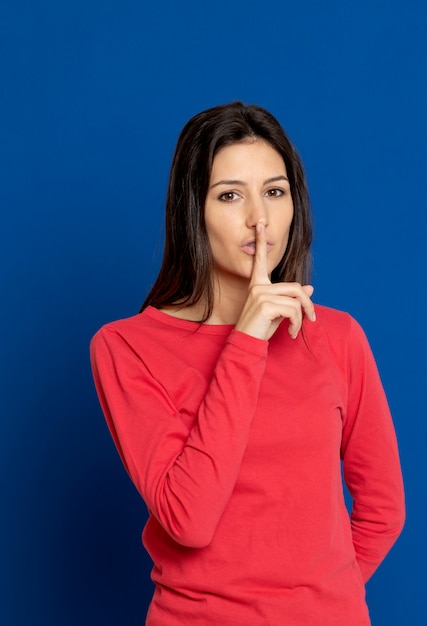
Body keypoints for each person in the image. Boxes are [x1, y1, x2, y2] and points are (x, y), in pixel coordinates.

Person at [90, 101, 405, 626]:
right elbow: (188, 520)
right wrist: (248, 339)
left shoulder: (339, 336)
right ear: (194, 210)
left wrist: (322, 601)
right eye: (230, 195)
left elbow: (383, 509)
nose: (259, 218)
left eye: (275, 192)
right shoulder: (126, 347)